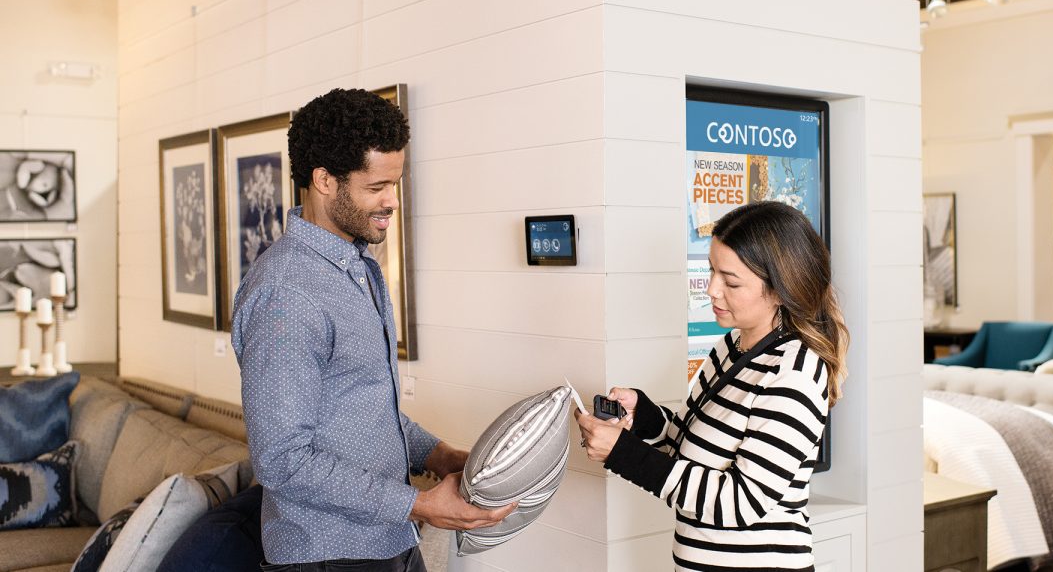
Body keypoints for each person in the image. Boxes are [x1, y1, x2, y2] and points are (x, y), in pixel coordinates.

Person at [233, 89, 514, 572]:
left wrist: (442, 455)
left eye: (396, 183)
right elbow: (282, 460)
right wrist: (422, 505)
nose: (392, 201)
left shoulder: (359, 266)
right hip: (325, 556)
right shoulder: (286, 294)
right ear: (324, 180)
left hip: (388, 542)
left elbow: (359, 408)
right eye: (376, 186)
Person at [575, 200, 848, 572]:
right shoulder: (733, 346)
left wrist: (621, 454)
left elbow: (740, 502)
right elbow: (689, 446)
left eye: (730, 281)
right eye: (711, 271)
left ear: (782, 290)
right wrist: (644, 416)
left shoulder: (795, 372)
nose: (712, 290)